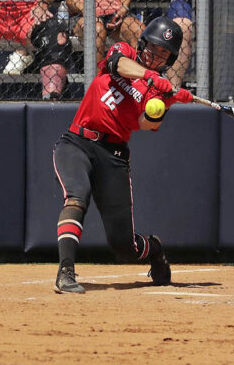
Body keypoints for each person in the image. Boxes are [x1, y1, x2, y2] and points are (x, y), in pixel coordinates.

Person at [52, 16, 194, 294]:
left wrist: (170, 102)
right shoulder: (125, 53)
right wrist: (149, 76)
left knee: (123, 246)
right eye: (153, 48)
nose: (156, 56)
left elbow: (146, 124)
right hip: (77, 142)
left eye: (164, 54)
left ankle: (154, 250)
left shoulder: (159, 91)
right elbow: (118, 65)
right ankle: (66, 272)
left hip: (113, 155)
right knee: (77, 197)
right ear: (143, 44)